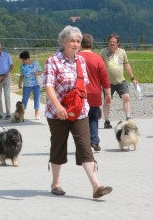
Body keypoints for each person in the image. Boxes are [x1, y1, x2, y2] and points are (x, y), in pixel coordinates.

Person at [43, 25, 112, 198]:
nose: (75, 44)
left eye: (78, 41)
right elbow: (48, 86)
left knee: (85, 146)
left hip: (80, 111)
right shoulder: (53, 61)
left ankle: (96, 186)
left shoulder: (81, 60)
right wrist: (58, 107)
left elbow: (84, 85)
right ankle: (56, 183)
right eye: (72, 41)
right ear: (64, 42)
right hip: (58, 112)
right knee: (58, 146)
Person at [79, 34, 112, 151]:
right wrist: (108, 94)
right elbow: (105, 79)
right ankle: (94, 141)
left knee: (81, 119)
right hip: (94, 94)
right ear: (91, 44)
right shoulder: (98, 58)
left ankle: (83, 143)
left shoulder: (76, 57)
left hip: (79, 94)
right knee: (93, 118)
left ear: (80, 43)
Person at [99, 33, 137, 128]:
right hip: (107, 82)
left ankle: (128, 117)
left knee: (126, 97)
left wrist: (132, 78)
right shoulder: (103, 51)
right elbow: (98, 65)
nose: (112, 43)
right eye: (110, 42)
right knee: (107, 101)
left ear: (118, 43)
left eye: (114, 42)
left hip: (121, 81)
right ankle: (106, 121)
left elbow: (127, 65)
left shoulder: (122, 52)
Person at [17, 51, 43, 120]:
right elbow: (21, 75)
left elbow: (41, 72)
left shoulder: (36, 63)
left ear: (26, 59)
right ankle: (22, 114)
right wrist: (20, 83)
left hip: (36, 84)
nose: (22, 61)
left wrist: (37, 73)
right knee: (24, 99)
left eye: (23, 60)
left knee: (37, 98)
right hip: (26, 84)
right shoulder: (22, 66)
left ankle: (37, 113)